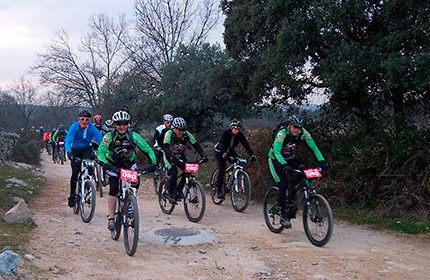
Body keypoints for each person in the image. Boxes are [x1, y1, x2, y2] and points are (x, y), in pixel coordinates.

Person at [97, 110, 157, 231]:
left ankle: (130, 202)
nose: (122, 126)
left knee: (135, 181)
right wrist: (104, 163)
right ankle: (111, 218)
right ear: (114, 125)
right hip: (112, 163)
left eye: (125, 124)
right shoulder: (109, 136)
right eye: (119, 124)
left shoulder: (133, 136)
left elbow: (147, 149)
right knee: (113, 188)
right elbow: (101, 151)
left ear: (128, 124)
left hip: (128, 163)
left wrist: (153, 163)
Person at [268, 114, 328, 228]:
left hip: (290, 158)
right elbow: (276, 151)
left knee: (302, 174)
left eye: (299, 128)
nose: (297, 130)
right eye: (295, 127)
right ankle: (283, 214)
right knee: (283, 183)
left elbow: (313, 147)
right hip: (276, 159)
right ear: (290, 125)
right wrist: (284, 164)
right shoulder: (282, 133)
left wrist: (322, 161)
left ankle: (291, 200)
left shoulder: (303, 133)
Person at [162, 117, 208, 202]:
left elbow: (196, 145)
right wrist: (171, 155)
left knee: (188, 170)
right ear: (174, 128)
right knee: (174, 172)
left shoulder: (186, 134)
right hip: (169, 156)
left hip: (180, 155)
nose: (182, 132)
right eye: (180, 130)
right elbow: (165, 147)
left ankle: (179, 190)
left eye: (183, 130)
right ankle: (170, 193)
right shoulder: (169, 133)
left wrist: (203, 155)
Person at [65, 109, 103, 208]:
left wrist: (103, 151)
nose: (85, 121)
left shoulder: (92, 128)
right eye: (82, 119)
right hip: (75, 149)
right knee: (75, 173)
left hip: (86, 149)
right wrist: (69, 152)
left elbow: (100, 140)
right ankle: (72, 195)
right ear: (79, 119)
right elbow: (68, 140)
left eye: (87, 119)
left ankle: (87, 187)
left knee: (90, 169)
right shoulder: (74, 127)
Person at [214, 119, 256, 199]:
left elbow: (246, 145)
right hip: (220, 151)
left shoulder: (239, 135)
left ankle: (230, 181)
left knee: (237, 161)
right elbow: (222, 144)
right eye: (235, 129)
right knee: (222, 170)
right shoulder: (225, 133)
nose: (237, 131)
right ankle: (219, 191)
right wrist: (224, 153)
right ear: (231, 128)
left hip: (230, 151)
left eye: (238, 129)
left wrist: (252, 155)